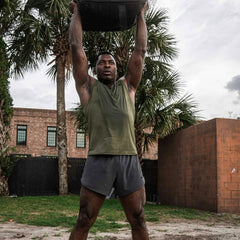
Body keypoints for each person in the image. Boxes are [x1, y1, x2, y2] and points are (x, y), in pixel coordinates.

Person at [69, 1, 149, 239]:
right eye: (102, 62)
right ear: (94, 68)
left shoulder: (129, 87)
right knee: (84, 219)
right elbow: (75, 46)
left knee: (139, 219)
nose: (106, 65)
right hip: (99, 159)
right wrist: (77, 13)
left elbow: (140, 51)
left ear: (117, 68)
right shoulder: (88, 87)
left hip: (128, 160)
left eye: (111, 62)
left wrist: (142, 14)